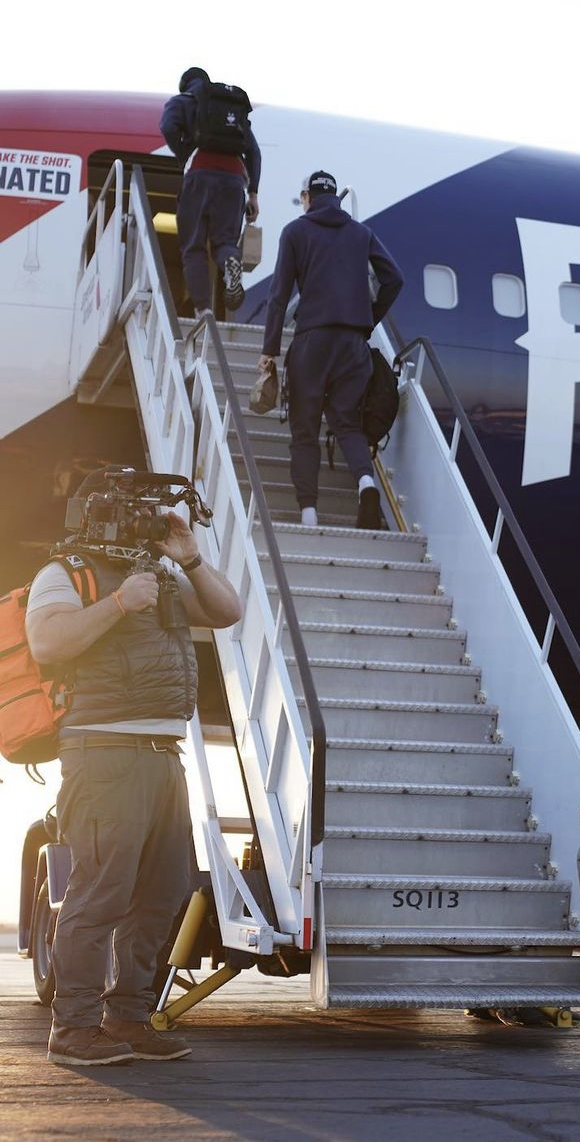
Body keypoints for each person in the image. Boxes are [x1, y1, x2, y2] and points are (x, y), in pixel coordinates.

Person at [26, 473, 243, 1067]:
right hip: (103, 756)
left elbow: (229, 610)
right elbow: (47, 642)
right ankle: (72, 1030)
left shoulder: (167, 577)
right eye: (136, 514)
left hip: (162, 756)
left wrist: (190, 557)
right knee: (99, 895)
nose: (145, 524)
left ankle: (127, 1018)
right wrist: (120, 603)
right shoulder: (66, 573)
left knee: (162, 891)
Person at [258, 170, 404, 530]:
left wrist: (270, 349)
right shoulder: (360, 233)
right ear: (336, 197)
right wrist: (367, 319)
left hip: (312, 340)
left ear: (306, 196)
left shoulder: (296, 231)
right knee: (347, 423)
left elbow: (278, 296)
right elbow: (394, 278)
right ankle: (366, 483)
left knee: (305, 428)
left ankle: (309, 513)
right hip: (353, 345)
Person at [160, 67, 261, 317]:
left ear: (186, 85)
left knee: (193, 245)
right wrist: (253, 193)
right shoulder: (230, 109)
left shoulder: (182, 101)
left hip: (199, 172)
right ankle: (229, 263)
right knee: (224, 242)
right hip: (235, 178)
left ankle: (203, 309)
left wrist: (185, 154)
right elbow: (254, 152)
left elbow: (167, 127)